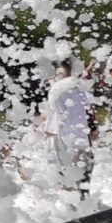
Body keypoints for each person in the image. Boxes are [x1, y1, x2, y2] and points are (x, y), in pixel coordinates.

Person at [42, 58, 96, 196]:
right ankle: (69, 206)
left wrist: (93, 128)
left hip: (80, 137)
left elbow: (87, 108)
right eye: (62, 70)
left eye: (68, 68)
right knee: (68, 180)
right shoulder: (56, 86)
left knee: (85, 172)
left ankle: (83, 201)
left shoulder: (77, 86)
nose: (67, 72)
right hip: (61, 138)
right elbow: (58, 91)